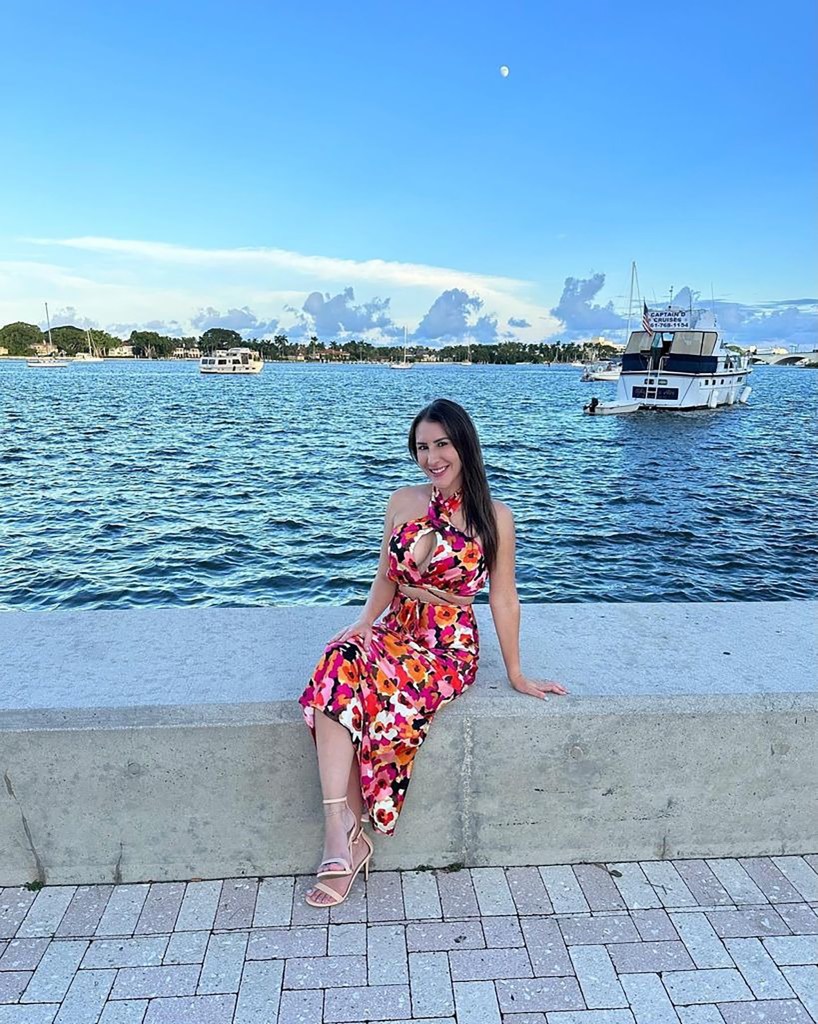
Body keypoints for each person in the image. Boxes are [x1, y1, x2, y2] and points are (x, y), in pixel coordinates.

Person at [298, 398, 568, 906]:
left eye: (442, 444)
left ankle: (347, 841)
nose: (431, 458)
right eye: (422, 447)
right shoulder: (402, 501)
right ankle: (341, 830)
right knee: (339, 659)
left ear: (464, 445)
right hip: (397, 626)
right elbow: (386, 576)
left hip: (447, 645)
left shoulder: (495, 517)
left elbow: (503, 597)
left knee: (359, 681)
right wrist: (363, 622)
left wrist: (516, 673)